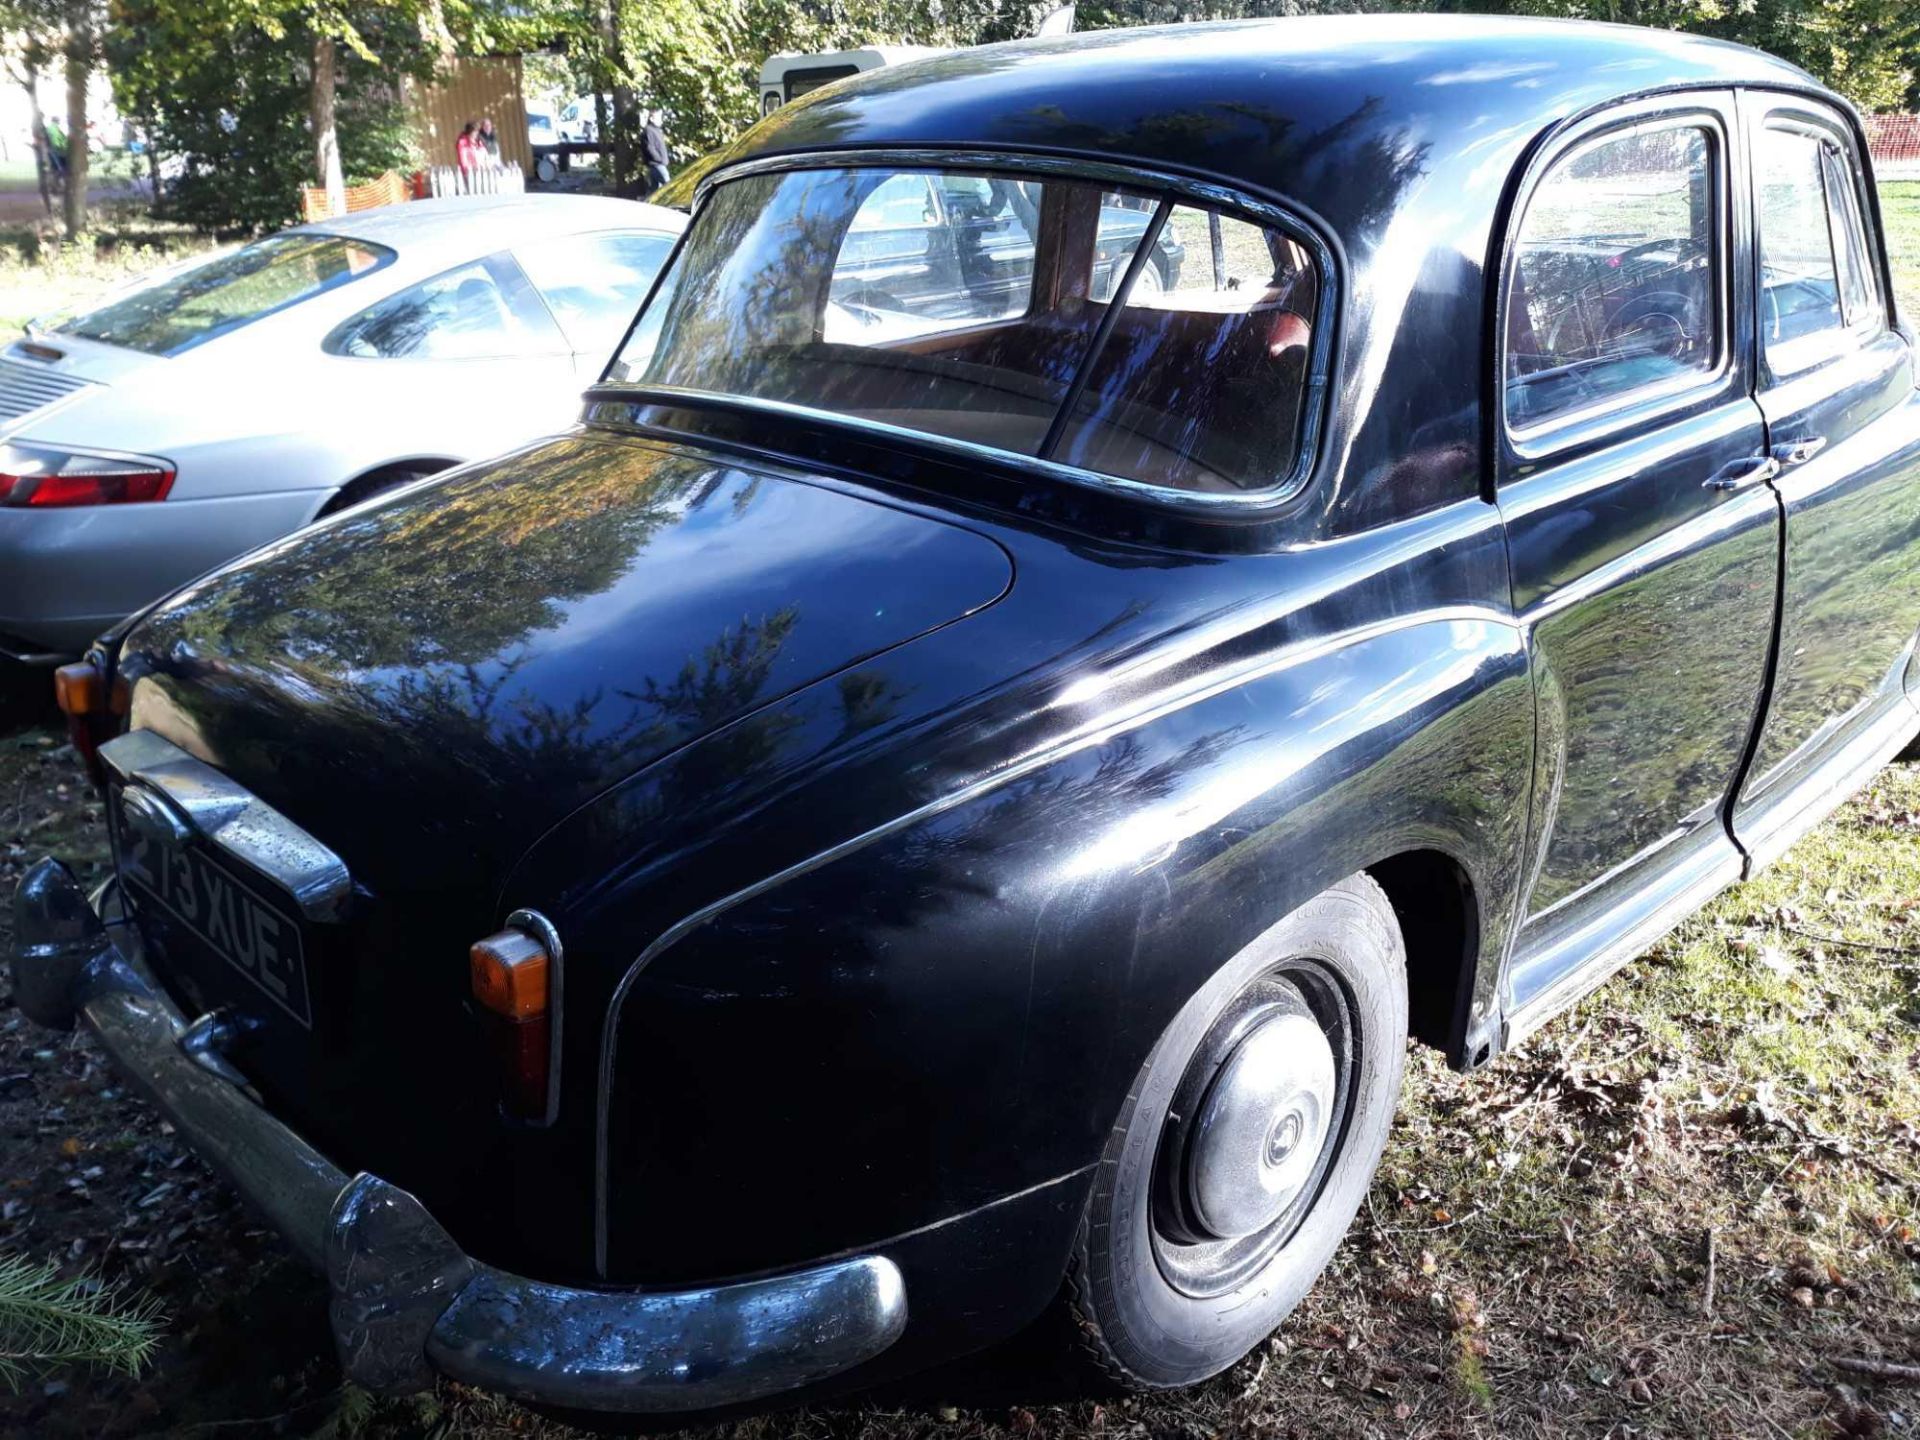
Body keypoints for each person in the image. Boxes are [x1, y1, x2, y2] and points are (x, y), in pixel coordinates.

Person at [642, 110, 671, 191]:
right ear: (651, 119)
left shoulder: (657, 130)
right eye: (658, 118)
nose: (660, 120)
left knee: (655, 190)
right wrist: (659, 159)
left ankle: (647, 202)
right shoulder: (648, 130)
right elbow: (649, 147)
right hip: (656, 164)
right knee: (668, 186)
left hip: (659, 163)